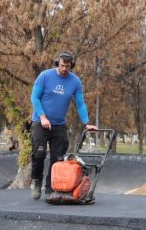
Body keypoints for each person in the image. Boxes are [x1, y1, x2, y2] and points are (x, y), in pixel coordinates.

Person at [29, 51, 97, 200]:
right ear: (57, 63)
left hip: (59, 125)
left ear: (71, 65)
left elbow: (80, 104)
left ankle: (50, 188)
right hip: (40, 122)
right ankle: (37, 181)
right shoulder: (45, 76)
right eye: (61, 65)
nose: (64, 69)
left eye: (67, 66)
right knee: (39, 155)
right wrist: (42, 117)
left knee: (57, 158)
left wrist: (86, 123)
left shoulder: (75, 82)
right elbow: (34, 97)